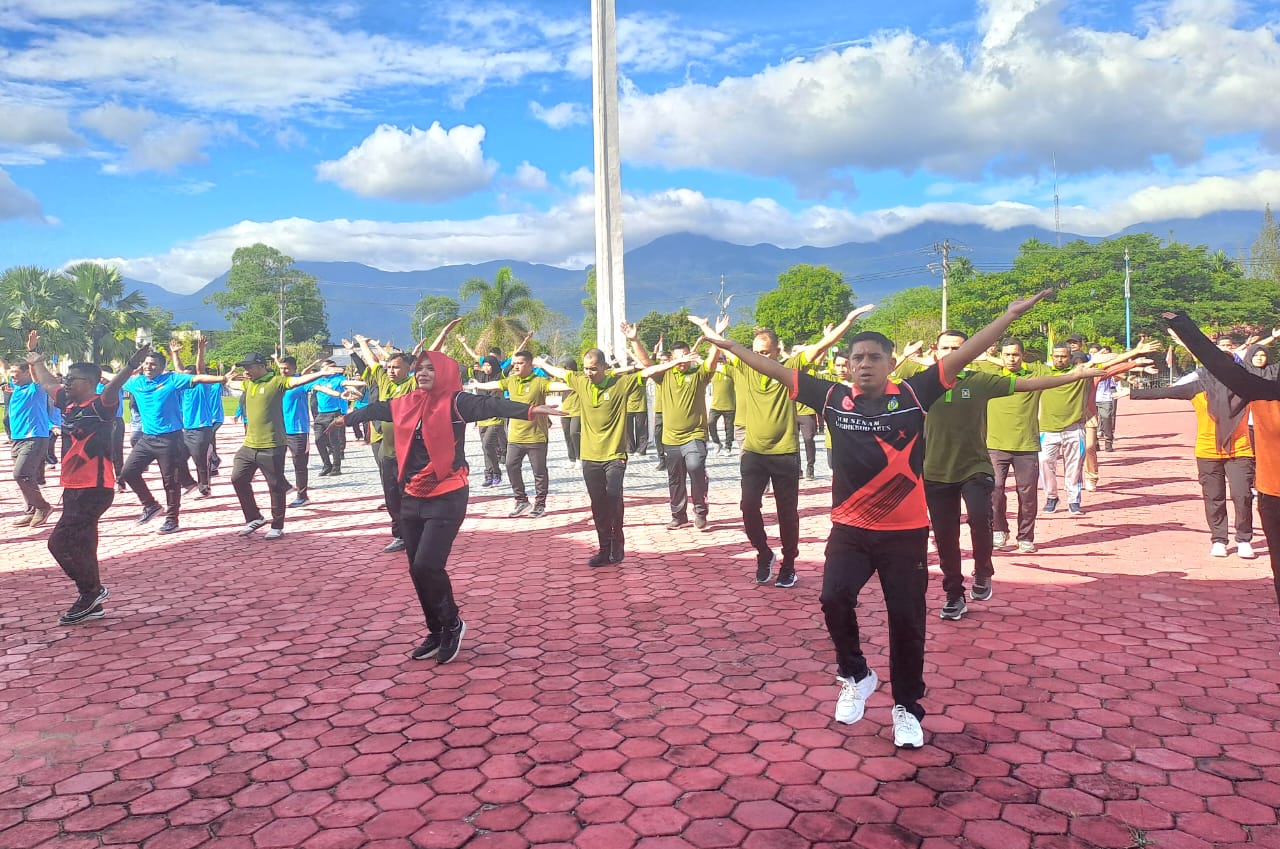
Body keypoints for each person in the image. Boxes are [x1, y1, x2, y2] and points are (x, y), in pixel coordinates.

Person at [691, 290, 1053, 751]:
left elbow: (967, 353)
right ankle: (856, 674)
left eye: (874, 357)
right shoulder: (831, 397)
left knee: (907, 621)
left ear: (891, 363)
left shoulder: (916, 393)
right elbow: (772, 368)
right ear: (847, 365)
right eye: (857, 357)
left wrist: (1009, 314)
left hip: (905, 534)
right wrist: (728, 346)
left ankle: (906, 708)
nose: (864, 364)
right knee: (832, 598)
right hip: (850, 530)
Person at [328, 351, 560, 663]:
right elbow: (376, 409)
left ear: (444, 373)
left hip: (447, 494)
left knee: (427, 565)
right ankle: (436, 631)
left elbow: (490, 405)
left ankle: (452, 624)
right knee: (416, 569)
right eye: (420, 369)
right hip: (411, 495)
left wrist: (529, 410)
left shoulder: (456, 402)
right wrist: (346, 418)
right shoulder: (406, 402)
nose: (422, 373)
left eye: (430, 369)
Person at [926, 331, 1130, 620]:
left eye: (958, 348)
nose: (951, 354)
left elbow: (1031, 383)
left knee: (980, 520)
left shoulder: (980, 381)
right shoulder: (921, 383)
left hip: (975, 467)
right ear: (935, 350)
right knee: (945, 536)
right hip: (935, 471)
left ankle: (983, 570)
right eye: (946, 348)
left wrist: (1075, 375)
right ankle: (954, 594)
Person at [702, 306, 872, 588]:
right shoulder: (744, 367)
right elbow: (723, 345)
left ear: (777, 351)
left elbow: (822, 345)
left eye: (766, 352)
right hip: (753, 453)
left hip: (785, 453)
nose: (760, 357)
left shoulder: (790, 367)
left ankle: (789, 564)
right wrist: (708, 329)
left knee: (787, 514)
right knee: (748, 506)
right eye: (756, 352)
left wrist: (848, 320)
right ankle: (763, 552)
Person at [25, 344, 150, 623]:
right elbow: (48, 384)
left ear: (90, 383)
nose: (66, 383)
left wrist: (131, 365)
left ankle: (91, 592)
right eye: (67, 378)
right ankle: (93, 605)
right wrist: (38, 362)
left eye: (73, 379)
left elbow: (113, 388)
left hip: (94, 488)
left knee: (58, 543)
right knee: (84, 545)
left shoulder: (101, 405)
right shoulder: (68, 403)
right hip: (73, 487)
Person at [1163, 311, 1280, 608]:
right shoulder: (1264, 390)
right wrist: (1181, 324)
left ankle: (1242, 538)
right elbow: (1218, 364)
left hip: (1259, 477)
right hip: (1274, 494)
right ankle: (1223, 539)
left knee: (1240, 496)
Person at [534, 324, 645, 567]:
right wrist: (541, 364)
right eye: (586, 368)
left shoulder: (620, 384)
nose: (589, 372)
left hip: (615, 456)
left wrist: (635, 341)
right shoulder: (581, 382)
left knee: (613, 498)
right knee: (598, 504)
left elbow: (649, 369)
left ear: (604, 367)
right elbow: (560, 372)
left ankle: (617, 540)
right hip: (590, 457)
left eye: (593, 368)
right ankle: (604, 549)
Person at [1130, 367, 1255, 559]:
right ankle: (1219, 539)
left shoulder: (1246, 387)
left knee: (1243, 495)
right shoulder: (1198, 387)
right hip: (1208, 452)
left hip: (1240, 450)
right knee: (1214, 497)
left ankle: (1244, 539)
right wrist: (1133, 393)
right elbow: (1166, 392)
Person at [227, 353, 343, 539]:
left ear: (261, 366)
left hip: (272, 445)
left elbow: (297, 381)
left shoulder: (276, 382)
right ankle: (254, 518)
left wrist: (321, 373)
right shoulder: (248, 384)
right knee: (237, 478)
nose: (246, 371)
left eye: (249, 367)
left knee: (275, 486)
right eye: (244, 368)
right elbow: (231, 384)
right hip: (249, 446)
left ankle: (277, 525)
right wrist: (225, 379)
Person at [119, 348, 224, 534]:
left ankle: (172, 520)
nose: (148, 367)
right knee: (128, 472)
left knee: (170, 482)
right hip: (147, 438)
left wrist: (221, 378)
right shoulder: (136, 382)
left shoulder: (172, 379)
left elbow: (197, 378)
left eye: (153, 364)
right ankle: (150, 505)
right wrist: (98, 372)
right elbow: (115, 378)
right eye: (146, 363)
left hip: (170, 439)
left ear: (162, 367)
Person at [468, 350, 560, 518]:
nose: (516, 366)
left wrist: (575, 382)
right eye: (514, 363)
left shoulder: (539, 382)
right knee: (511, 466)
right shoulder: (511, 381)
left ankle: (540, 504)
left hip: (536, 437)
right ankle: (521, 501)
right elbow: (494, 385)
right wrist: (477, 385)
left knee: (539, 472)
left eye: (520, 363)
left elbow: (557, 386)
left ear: (530, 364)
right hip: (515, 437)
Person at [646, 339, 717, 530]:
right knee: (675, 478)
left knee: (695, 466)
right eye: (679, 357)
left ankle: (700, 511)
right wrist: (635, 340)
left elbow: (711, 363)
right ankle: (679, 516)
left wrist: (717, 339)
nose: (683, 361)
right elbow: (647, 365)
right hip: (671, 438)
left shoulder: (698, 374)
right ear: (672, 359)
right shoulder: (664, 376)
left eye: (686, 356)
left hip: (694, 434)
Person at [7, 332, 54, 527]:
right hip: (18, 438)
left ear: (27, 373)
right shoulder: (16, 387)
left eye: (16, 373)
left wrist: (32, 351)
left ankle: (43, 507)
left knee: (20, 474)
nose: (13, 376)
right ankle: (32, 510)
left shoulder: (35, 389)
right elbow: (3, 368)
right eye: (11, 373)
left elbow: (37, 375)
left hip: (34, 437)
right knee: (26, 477)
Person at [311, 358, 349, 477]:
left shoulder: (339, 379)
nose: (323, 369)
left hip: (334, 412)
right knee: (318, 440)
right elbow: (303, 376)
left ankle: (336, 467)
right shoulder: (319, 380)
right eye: (322, 367)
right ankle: (327, 465)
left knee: (334, 440)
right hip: (320, 414)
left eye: (326, 367)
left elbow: (348, 383)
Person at [708, 362, 736, 455]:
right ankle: (717, 442)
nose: (720, 363)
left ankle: (728, 447)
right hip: (715, 405)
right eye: (718, 360)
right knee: (710, 423)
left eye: (721, 360)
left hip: (729, 406)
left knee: (729, 428)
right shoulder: (713, 372)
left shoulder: (730, 372)